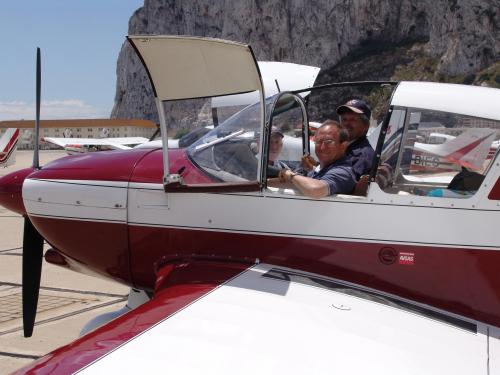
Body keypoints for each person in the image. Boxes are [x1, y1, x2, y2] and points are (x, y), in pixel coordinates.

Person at [278, 120, 356, 198]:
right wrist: (267, 182)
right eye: (318, 142)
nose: (322, 148)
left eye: (328, 142)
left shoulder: (343, 172)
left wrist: (290, 175)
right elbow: (294, 184)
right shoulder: (319, 170)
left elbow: (315, 190)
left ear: (343, 146)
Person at [336, 99, 375, 180]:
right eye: (344, 119)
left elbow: (343, 182)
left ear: (366, 126)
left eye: (353, 119)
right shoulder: (344, 148)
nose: (346, 124)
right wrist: (315, 167)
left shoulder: (363, 155)